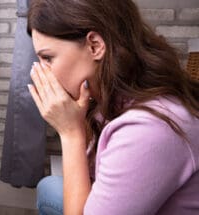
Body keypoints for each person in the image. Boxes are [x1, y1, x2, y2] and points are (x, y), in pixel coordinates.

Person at [25, 0, 199, 214]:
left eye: (48, 57)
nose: (41, 72)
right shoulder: (113, 95)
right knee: (49, 186)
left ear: (95, 46)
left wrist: (71, 133)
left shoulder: (149, 130)